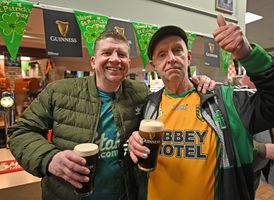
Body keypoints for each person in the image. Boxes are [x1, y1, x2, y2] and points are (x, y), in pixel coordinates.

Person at [7, 30, 215, 200]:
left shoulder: (141, 93)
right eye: (107, 53)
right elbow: (20, 131)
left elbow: (174, 92)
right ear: (93, 61)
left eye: (122, 54)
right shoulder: (59, 92)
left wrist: (197, 82)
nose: (115, 59)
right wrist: (49, 158)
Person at [127, 14, 274, 200]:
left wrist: (248, 55)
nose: (171, 58)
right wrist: (131, 146)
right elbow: (132, 152)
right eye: (162, 54)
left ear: (189, 57)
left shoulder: (226, 100)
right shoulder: (147, 106)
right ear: (154, 65)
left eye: (177, 50)